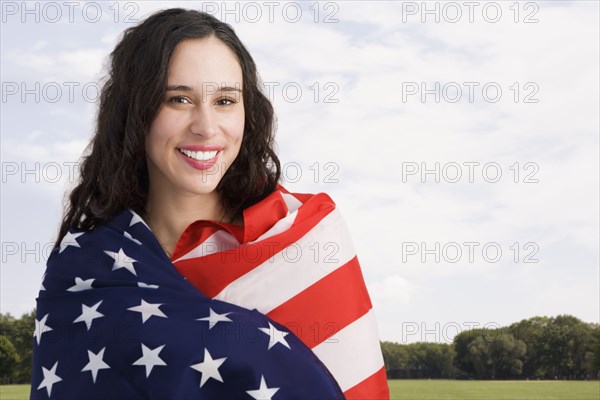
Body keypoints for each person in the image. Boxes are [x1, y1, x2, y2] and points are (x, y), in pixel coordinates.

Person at [31, 8, 390, 399]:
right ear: (134, 112)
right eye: (178, 99)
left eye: (224, 101)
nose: (205, 126)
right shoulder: (86, 269)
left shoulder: (307, 238)